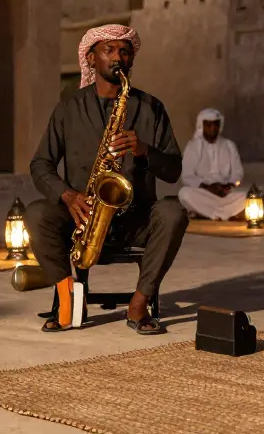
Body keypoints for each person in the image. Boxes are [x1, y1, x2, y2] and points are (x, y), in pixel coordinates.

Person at [27, 24, 187, 334]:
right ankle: (68, 298)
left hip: (136, 217)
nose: (118, 57)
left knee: (173, 212)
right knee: (35, 213)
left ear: (131, 61)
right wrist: (67, 196)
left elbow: (173, 170)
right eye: (109, 50)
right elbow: (40, 164)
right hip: (82, 217)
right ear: (90, 59)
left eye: (124, 52)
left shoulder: (151, 108)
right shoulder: (69, 108)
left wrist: (144, 150)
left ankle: (139, 304)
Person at [177, 108, 246, 221]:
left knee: (247, 195)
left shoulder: (229, 146)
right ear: (202, 126)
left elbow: (238, 173)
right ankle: (227, 213)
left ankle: (206, 213)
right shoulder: (193, 147)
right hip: (204, 191)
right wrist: (208, 188)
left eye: (215, 125)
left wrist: (228, 186)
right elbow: (186, 176)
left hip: (226, 192)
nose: (212, 128)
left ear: (220, 126)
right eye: (208, 125)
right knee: (184, 194)